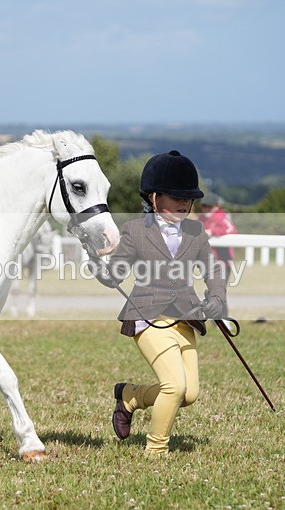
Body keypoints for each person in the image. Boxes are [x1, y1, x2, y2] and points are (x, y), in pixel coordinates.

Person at [95, 150, 227, 457]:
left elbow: (213, 270)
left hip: (186, 318)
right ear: (153, 198)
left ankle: (129, 396)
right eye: (175, 196)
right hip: (148, 317)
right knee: (174, 386)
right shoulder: (135, 232)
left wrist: (217, 297)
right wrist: (101, 265)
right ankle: (155, 451)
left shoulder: (196, 232)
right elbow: (115, 274)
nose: (183, 203)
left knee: (189, 393)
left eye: (187, 198)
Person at [199, 192, 237, 265]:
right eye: (204, 206)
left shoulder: (222, 216)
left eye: (209, 206)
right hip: (207, 261)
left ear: (217, 206)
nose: (207, 209)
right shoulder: (201, 218)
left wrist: (211, 231)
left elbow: (231, 229)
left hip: (224, 261)